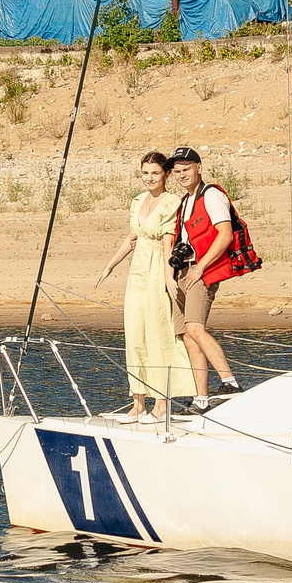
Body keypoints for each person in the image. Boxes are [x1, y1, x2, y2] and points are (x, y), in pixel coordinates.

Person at [96, 151, 187, 421]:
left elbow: (169, 242)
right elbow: (133, 236)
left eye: (155, 173)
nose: (150, 178)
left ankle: (161, 403)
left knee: (158, 332)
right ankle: (138, 402)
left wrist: (169, 276)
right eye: (145, 173)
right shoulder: (137, 201)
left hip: (158, 267)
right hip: (137, 270)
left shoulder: (172, 202)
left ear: (166, 175)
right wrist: (110, 265)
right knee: (134, 332)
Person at [168, 146, 256, 411]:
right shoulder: (185, 201)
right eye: (176, 171)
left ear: (199, 168)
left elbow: (225, 234)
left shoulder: (212, 195)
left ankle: (230, 382)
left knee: (196, 328)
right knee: (187, 335)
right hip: (182, 272)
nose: (181, 175)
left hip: (199, 272)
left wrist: (200, 268)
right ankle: (202, 398)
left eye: (186, 169)